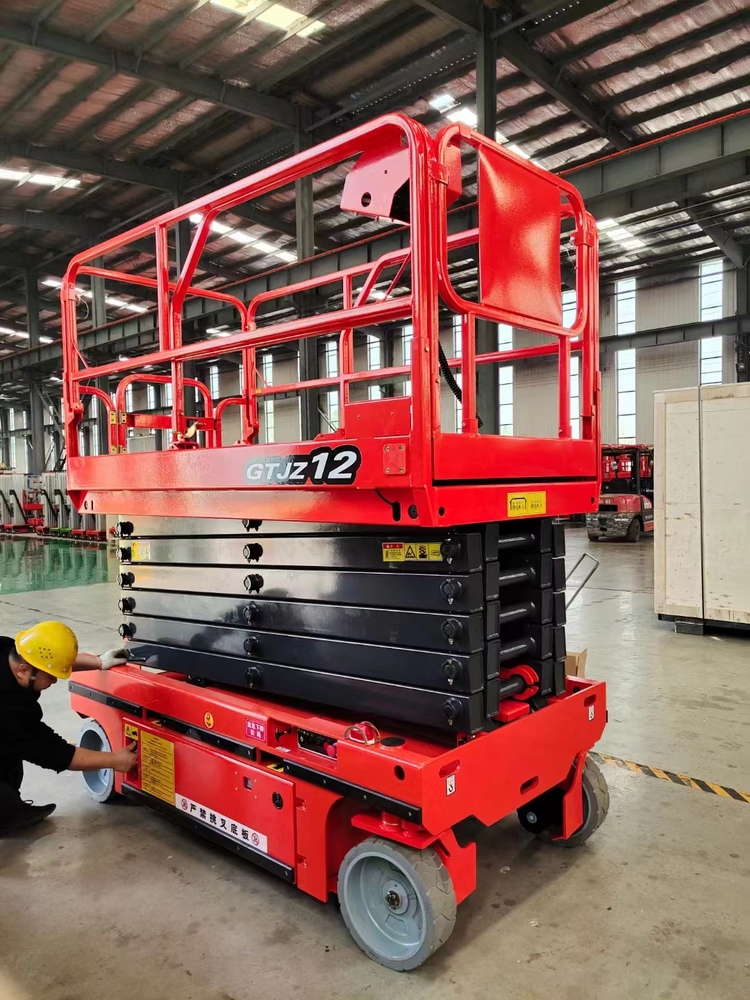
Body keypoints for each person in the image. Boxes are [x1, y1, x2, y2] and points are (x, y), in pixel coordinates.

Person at [0, 621, 137, 836]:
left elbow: (47, 660)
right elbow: (56, 753)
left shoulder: (9, 649)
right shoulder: (10, 712)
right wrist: (115, 760)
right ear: (23, 670)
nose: (55, 680)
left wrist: (99, 661)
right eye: (50, 675)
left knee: (9, 751)